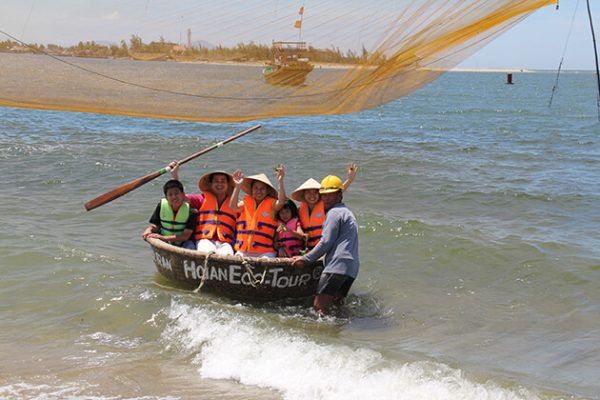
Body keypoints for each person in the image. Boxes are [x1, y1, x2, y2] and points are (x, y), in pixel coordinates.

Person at [292, 175, 359, 317]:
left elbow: (326, 242)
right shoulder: (348, 213)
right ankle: (344, 334)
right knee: (337, 305)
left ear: (339, 195)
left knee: (319, 307)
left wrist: (306, 259)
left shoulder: (334, 213)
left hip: (337, 266)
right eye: (324, 195)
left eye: (331, 195)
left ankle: (326, 336)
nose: (326, 199)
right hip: (351, 268)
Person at [170, 162, 236, 255]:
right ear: (210, 184)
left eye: (223, 181)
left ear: (228, 184)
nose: (219, 184)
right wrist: (175, 175)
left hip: (225, 242)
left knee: (228, 256)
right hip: (204, 239)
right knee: (207, 252)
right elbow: (182, 197)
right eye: (216, 181)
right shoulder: (201, 199)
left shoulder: (234, 204)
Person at [291, 162, 358, 250]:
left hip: (323, 248)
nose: (312, 196)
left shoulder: (325, 205)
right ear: (303, 195)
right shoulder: (300, 209)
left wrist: (350, 179)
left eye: (315, 192)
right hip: (308, 249)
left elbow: (337, 193)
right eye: (308, 192)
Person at [229, 165, 286, 258]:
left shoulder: (272, 204)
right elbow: (233, 207)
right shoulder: (245, 202)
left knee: (266, 260)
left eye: (262, 188)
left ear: (267, 191)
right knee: (237, 257)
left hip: (265, 252)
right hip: (243, 250)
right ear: (251, 190)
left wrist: (280, 181)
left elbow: (281, 202)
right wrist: (237, 186)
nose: (259, 191)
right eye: (256, 188)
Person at [142, 179, 198, 247]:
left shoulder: (191, 212)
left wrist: (162, 238)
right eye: (170, 194)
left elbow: (185, 236)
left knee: (191, 246)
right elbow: (157, 226)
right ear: (166, 197)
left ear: (183, 195)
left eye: (176, 193)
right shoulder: (161, 206)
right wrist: (149, 229)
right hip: (165, 239)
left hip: (183, 242)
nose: (174, 197)